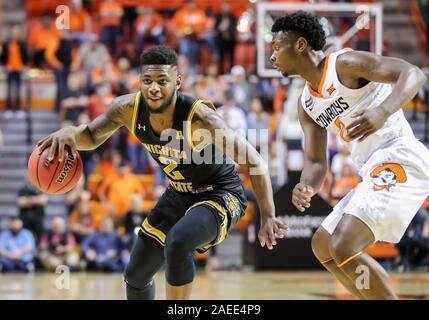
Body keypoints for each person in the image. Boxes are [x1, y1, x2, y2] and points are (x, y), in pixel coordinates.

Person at [37, 45, 287, 300]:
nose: (153, 88)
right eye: (147, 81)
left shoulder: (201, 117)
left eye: (162, 81)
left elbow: (255, 160)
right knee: (135, 276)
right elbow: (90, 135)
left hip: (220, 193)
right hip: (178, 194)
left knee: (178, 243)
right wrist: (71, 133)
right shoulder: (127, 108)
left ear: (177, 81)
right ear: (140, 82)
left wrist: (268, 215)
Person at [270, 11, 429, 300]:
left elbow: (413, 74)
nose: (272, 56)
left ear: (300, 45)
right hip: (372, 168)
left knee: (343, 245)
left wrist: (383, 111)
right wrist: (306, 185)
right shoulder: (306, 104)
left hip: (400, 157)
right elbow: (317, 163)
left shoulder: (344, 64)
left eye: (277, 47)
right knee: (322, 245)